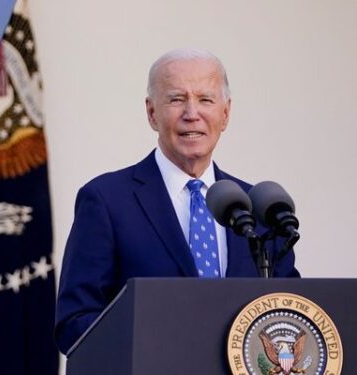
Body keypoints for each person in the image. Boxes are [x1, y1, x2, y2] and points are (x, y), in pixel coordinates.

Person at [53, 48, 300, 354]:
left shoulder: (258, 208)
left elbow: (293, 314)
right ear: (152, 113)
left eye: (205, 99)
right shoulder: (106, 200)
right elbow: (74, 322)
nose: (191, 113)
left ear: (225, 114)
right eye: (176, 99)